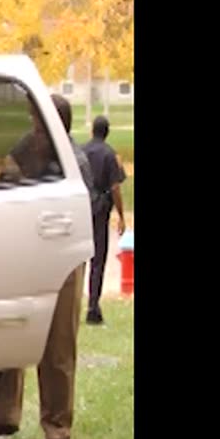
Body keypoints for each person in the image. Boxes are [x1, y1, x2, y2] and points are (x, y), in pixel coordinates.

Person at [0, 93, 90, 439]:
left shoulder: (75, 160)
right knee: (12, 332)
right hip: (25, 253)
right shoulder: (27, 147)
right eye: (33, 120)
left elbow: (76, 205)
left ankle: (57, 427)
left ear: (58, 125)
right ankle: (2, 417)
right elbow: (7, 179)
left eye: (39, 122)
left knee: (57, 345)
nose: (33, 129)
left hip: (63, 257)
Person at [82, 115, 128, 324]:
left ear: (93, 130)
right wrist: (120, 215)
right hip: (101, 211)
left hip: (82, 209)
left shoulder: (81, 151)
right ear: (107, 132)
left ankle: (75, 302)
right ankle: (93, 305)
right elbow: (116, 186)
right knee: (98, 259)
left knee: (79, 258)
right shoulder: (110, 155)